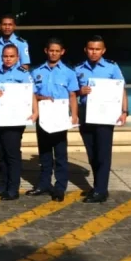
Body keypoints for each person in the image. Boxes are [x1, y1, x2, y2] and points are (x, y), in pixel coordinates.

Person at [75, 35, 128, 203]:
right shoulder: (78, 69)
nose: (94, 52)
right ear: (86, 50)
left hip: (106, 115)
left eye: (97, 49)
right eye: (91, 49)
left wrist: (125, 111)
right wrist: (79, 91)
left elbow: (121, 89)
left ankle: (101, 190)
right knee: (92, 153)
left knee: (103, 153)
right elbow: (72, 92)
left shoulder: (111, 67)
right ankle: (97, 186)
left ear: (103, 50)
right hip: (86, 113)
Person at [27, 38, 79, 202]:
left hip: (60, 117)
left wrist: (74, 115)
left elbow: (72, 95)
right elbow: (32, 94)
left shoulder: (69, 73)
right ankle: (43, 184)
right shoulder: (36, 72)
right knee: (44, 153)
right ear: (46, 51)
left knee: (61, 154)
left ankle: (60, 187)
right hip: (43, 116)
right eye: (51, 50)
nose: (54, 53)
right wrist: (42, 97)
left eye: (57, 51)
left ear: (62, 52)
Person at [0, 44, 38, 201]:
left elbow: (31, 94)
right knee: (0, 152)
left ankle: (13, 188)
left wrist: (35, 112)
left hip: (14, 117)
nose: (8, 59)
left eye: (11, 56)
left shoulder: (23, 74)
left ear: (17, 58)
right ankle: (3, 186)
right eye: (5, 56)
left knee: (12, 153)